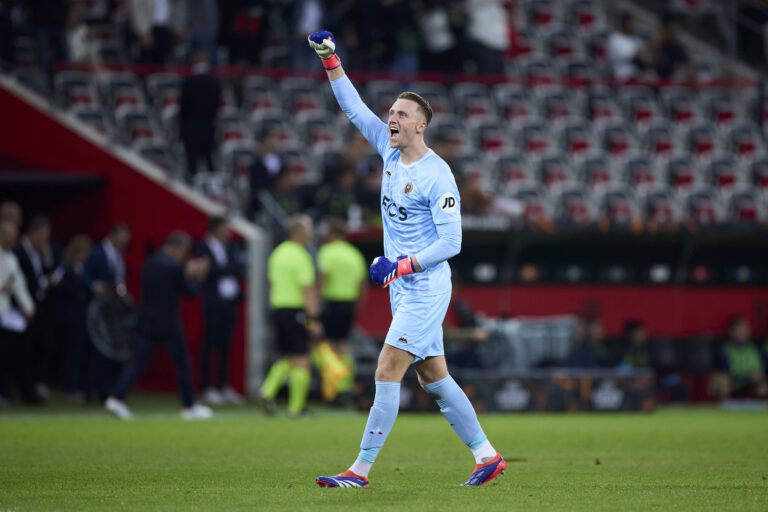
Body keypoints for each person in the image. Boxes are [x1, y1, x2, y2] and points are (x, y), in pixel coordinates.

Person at [308, 30, 505, 488]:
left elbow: (451, 243)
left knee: (385, 369)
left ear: (421, 125)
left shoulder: (438, 175)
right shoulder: (388, 151)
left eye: (401, 114)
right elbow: (353, 108)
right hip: (402, 286)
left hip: (425, 285)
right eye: (392, 112)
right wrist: (332, 60)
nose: (391, 118)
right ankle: (486, 455)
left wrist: (401, 265)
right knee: (434, 376)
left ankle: (359, 470)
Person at [105, 231, 212, 420]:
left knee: (137, 364)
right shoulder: (174, 266)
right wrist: (199, 276)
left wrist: (188, 271)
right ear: (177, 248)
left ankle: (116, 397)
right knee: (183, 364)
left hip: (146, 322)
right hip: (168, 325)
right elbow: (189, 292)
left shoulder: (150, 262)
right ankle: (188, 406)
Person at [259, 214, 322, 416]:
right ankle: (296, 408)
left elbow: (272, 283)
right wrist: (313, 318)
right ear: (300, 231)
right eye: (309, 227)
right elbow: (307, 289)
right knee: (302, 358)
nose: (312, 231)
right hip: (296, 311)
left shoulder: (277, 253)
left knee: (288, 356)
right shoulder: (300, 255)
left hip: (278, 309)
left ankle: (267, 391)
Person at [315, 217, 368, 402]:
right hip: (349, 305)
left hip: (330, 304)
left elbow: (322, 279)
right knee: (344, 345)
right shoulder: (354, 254)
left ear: (331, 233)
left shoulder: (327, 252)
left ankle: (331, 385)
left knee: (320, 344)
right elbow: (363, 285)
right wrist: (357, 308)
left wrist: (314, 308)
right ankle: (346, 384)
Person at [197, 216, 245, 405]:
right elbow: (209, 271)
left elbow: (238, 268)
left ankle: (224, 386)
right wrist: (224, 269)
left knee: (226, 346)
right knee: (209, 344)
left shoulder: (231, 247)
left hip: (229, 303)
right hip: (212, 303)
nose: (228, 232)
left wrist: (222, 269)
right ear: (216, 228)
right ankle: (207, 387)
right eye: (225, 228)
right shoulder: (202, 246)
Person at [84, 222, 131, 401]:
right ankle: (90, 390)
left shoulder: (120, 255)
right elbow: (86, 276)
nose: (126, 240)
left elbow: (119, 279)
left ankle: (107, 390)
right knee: (98, 350)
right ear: (113, 235)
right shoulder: (97, 253)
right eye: (123, 236)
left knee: (111, 350)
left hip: (113, 307)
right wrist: (94, 286)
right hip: (97, 309)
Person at [14, 214, 55, 402]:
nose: (46, 238)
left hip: (39, 306)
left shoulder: (40, 252)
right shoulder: (18, 250)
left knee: (41, 347)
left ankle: (34, 387)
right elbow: (20, 281)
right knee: (24, 351)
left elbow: (44, 274)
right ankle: (25, 391)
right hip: (20, 308)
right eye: (45, 233)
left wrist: (47, 259)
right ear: (35, 231)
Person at [0, 219, 35, 405]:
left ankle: (6, 391)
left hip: (5, 315)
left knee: (6, 355)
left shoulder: (11, 258)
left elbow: (19, 285)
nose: (14, 238)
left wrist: (28, 307)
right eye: (11, 235)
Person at [54, 235, 93, 400]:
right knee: (71, 352)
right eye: (83, 252)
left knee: (79, 352)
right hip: (70, 316)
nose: (85, 255)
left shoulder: (82, 268)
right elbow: (59, 287)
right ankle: (68, 386)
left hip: (82, 316)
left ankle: (76, 385)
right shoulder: (66, 267)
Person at [179, 51, 222, 178]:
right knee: (209, 161)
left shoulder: (189, 83)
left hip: (191, 128)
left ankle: (191, 190)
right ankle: (213, 190)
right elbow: (216, 107)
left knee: (192, 163)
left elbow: (183, 108)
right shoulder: (215, 83)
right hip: (208, 128)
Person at [712, 316, 767, 400]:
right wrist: (746, 376)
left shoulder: (755, 347)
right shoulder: (725, 349)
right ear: (731, 332)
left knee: (764, 387)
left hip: (752, 384)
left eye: (744, 329)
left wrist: (760, 375)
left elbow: (764, 368)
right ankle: (723, 409)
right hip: (733, 382)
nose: (742, 332)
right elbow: (724, 372)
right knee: (722, 382)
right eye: (739, 330)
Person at [607, 12, 650, 80]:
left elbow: (645, 56)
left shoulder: (636, 39)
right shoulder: (614, 38)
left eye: (633, 23)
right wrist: (637, 55)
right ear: (624, 23)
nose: (633, 25)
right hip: (620, 76)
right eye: (630, 23)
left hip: (635, 76)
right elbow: (619, 57)